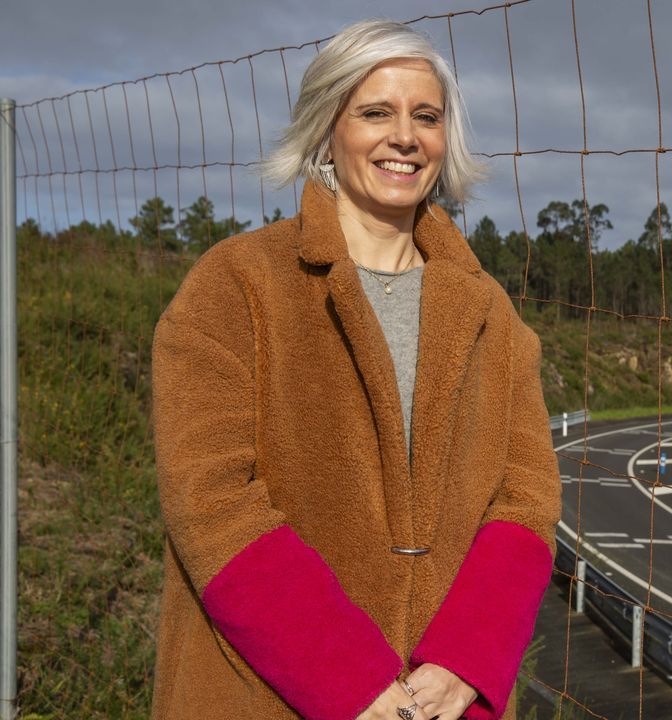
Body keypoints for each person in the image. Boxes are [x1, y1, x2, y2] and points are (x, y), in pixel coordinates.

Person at [149, 19, 561, 720]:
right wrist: (347, 678)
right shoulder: (237, 283)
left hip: (443, 704)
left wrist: (468, 659)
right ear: (326, 130)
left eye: (425, 117)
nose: (405, 136)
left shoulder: (491, 311)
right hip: (263, 695)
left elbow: (527, 497)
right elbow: (211, 499)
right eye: (376, 112)